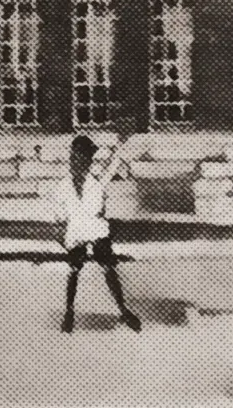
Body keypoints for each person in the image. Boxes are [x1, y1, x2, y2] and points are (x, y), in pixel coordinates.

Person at [56, 131, 142, 334]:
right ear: (72, 157)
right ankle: (69, 312)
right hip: (77, 230)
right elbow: (60, 217)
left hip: (95, 229)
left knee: (108, 267)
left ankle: (123, 309)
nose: (77, 162)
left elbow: (99, 208)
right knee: (74, 270)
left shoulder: (96, 184)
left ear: (88, 161)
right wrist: (66, 237)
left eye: (82, 158)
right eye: (74, 157)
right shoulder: (64, 186)